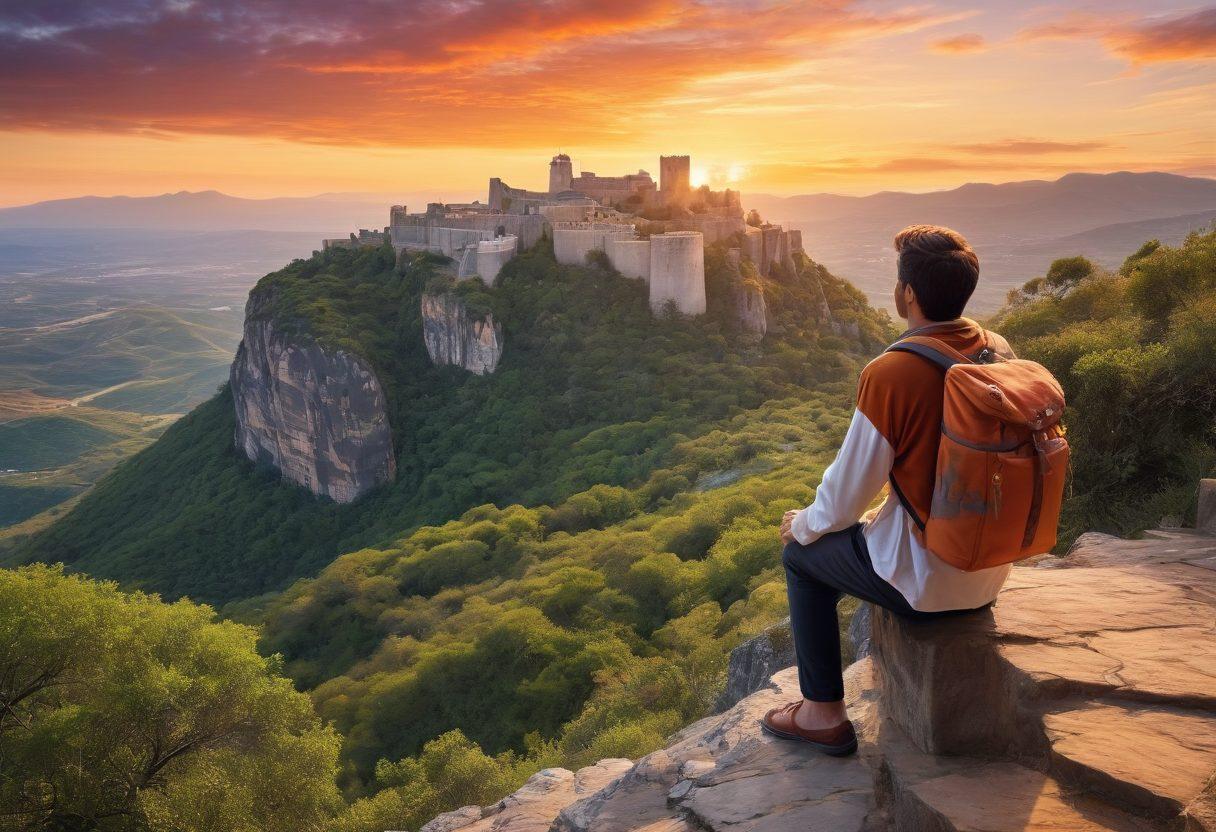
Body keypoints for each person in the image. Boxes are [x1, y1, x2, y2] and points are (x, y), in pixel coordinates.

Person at [760, 225, 1015, 756]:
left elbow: (843, 498)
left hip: (929, 582)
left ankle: (821, 713)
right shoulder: (997, 350)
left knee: (801, 557)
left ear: (907, 295)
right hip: (989, 568)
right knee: (841, 537)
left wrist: (800, 524)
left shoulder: (893, 372)